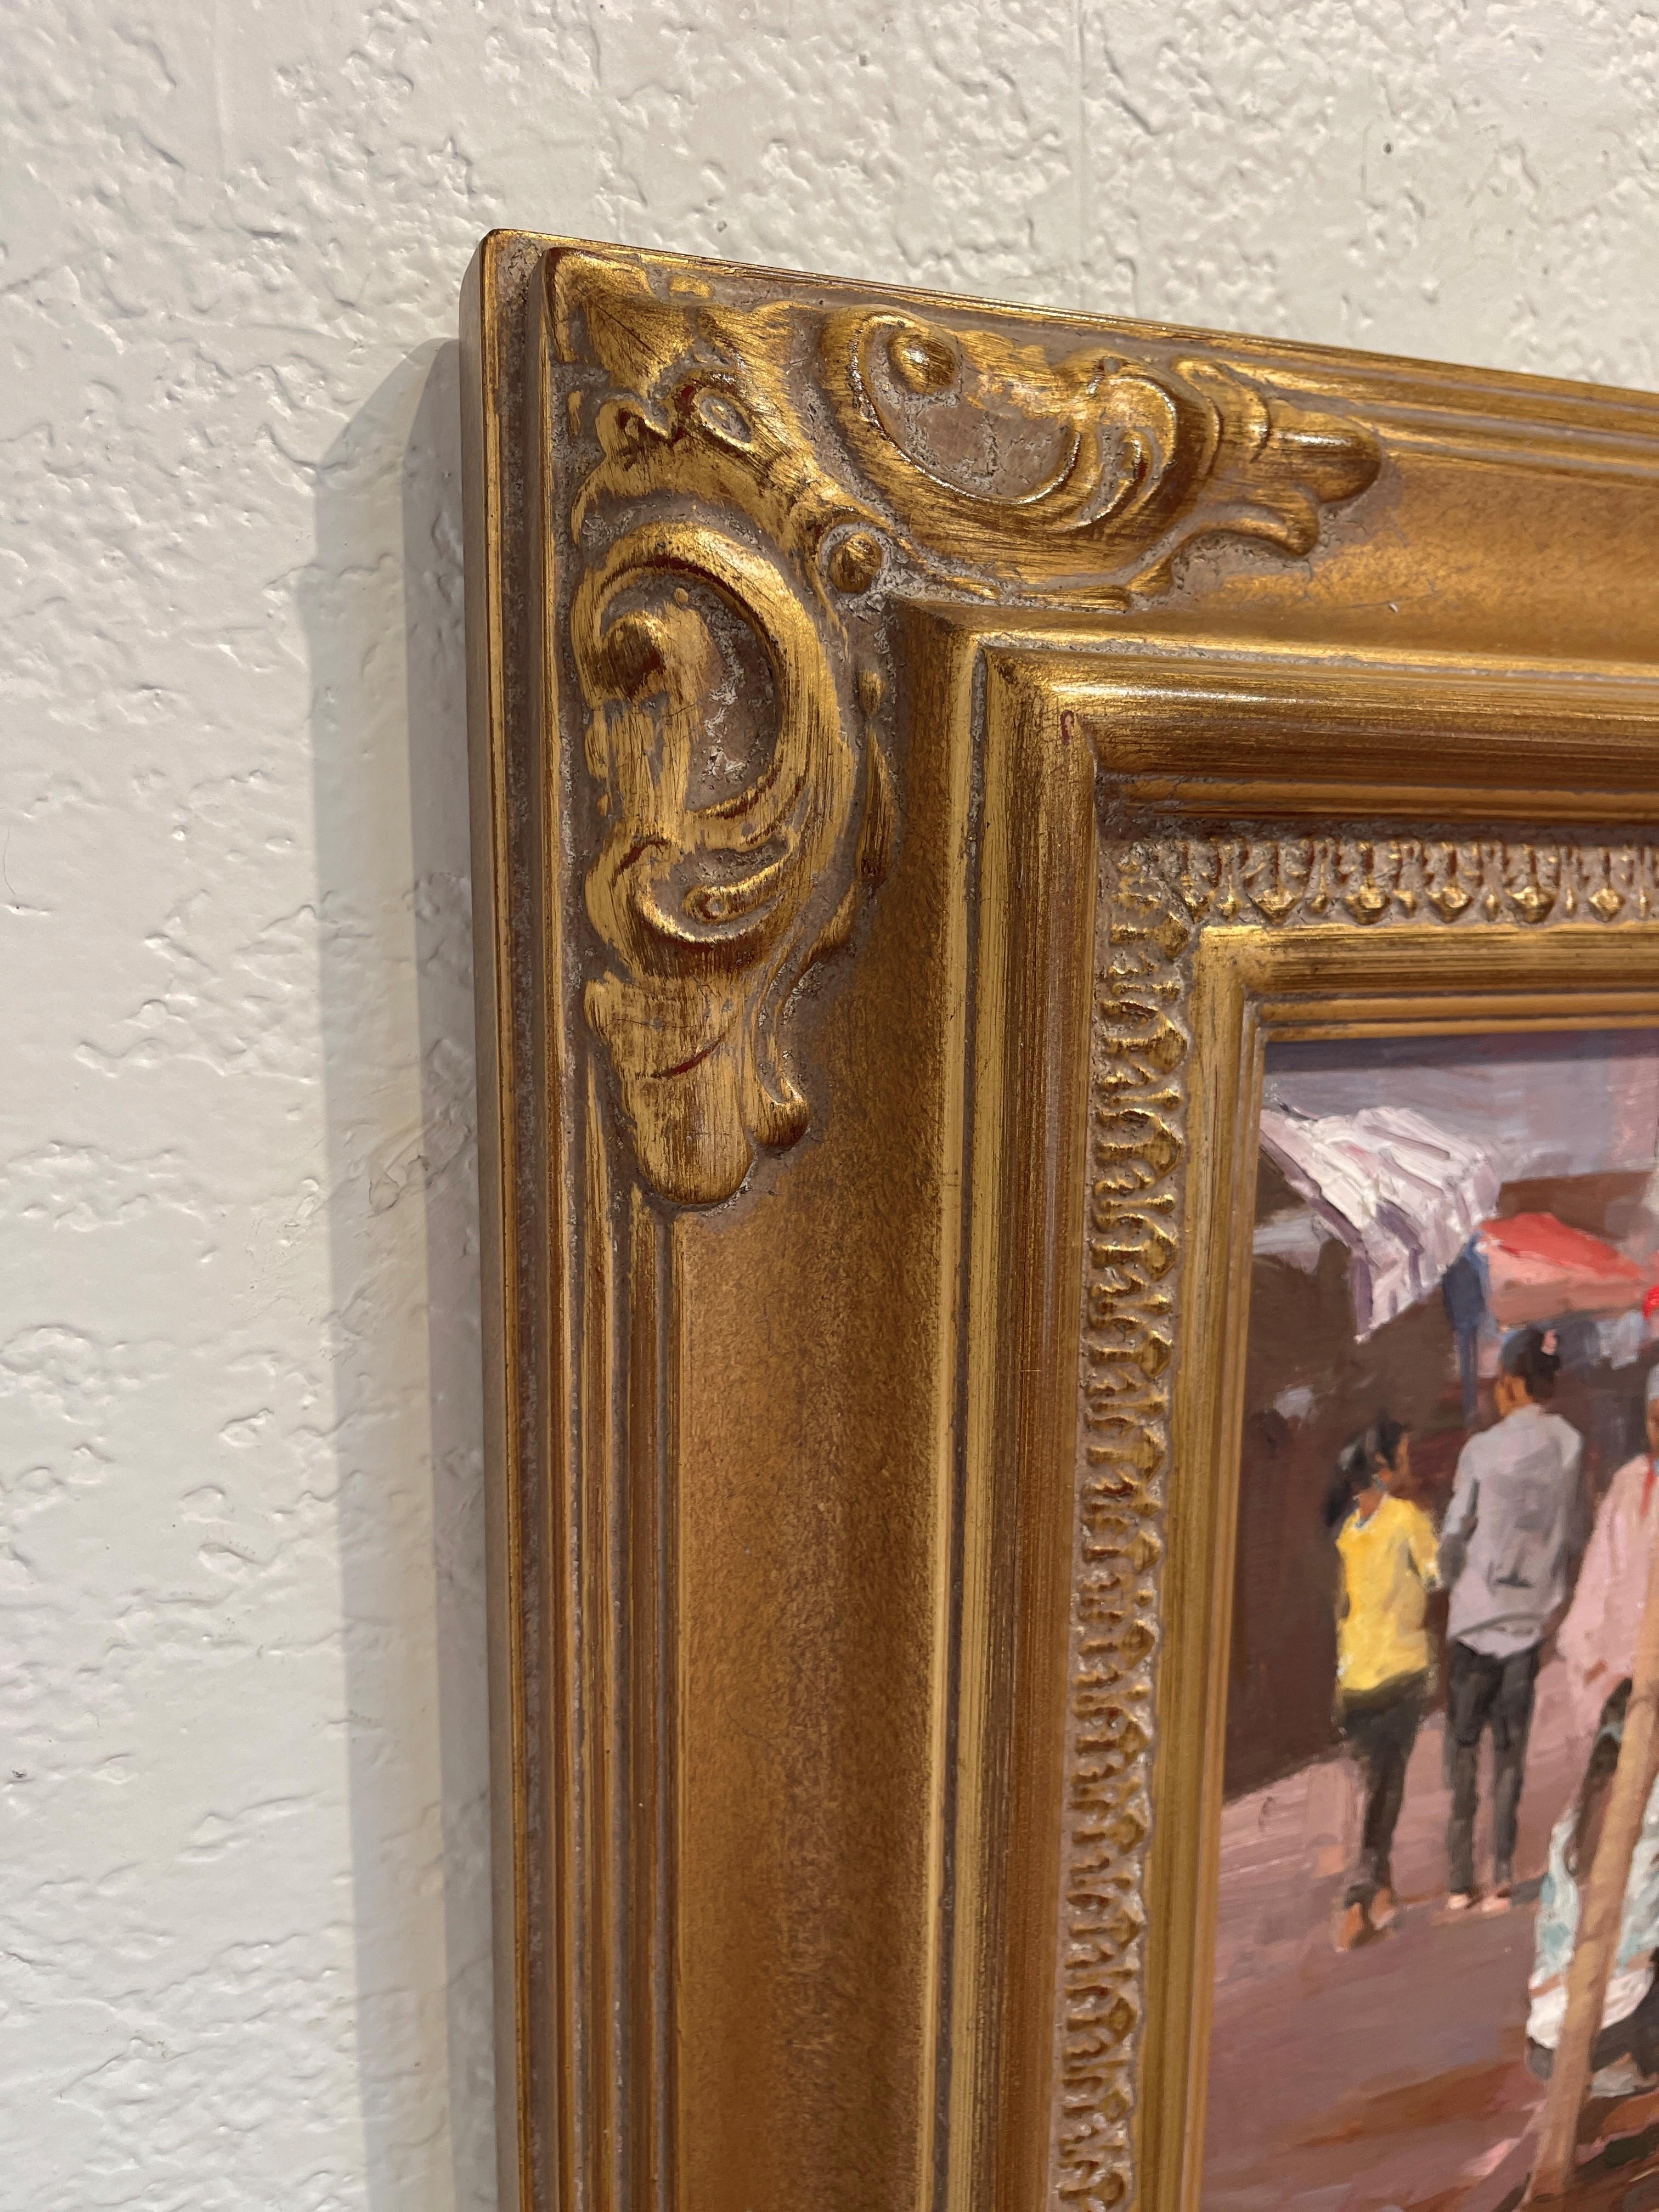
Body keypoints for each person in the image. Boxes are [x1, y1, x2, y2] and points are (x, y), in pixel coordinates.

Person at [1440, 1324, 1590, 1912]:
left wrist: (1455, 1582)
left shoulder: (1480, 1450)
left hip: (1475, 1619)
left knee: (1463, 1751)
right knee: (1509, 1754)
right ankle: (1501, 1872)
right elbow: (1575, 1533)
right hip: (1528, 1621)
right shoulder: (1570, 1445)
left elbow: (1454, 1533)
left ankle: (1460, 1880)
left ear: (1514, 1384)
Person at [1326, 1418, 1440, 1951]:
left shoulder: (1349, 1534)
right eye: (1403, 1457)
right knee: (1386, 1790)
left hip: (1356, 1680)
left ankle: (1383, 1893)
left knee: (1377, 1784)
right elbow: (1438, 1576)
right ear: (1384, 1470)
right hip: (1400, 1673)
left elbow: (1345, 1606)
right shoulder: (1408, 1519)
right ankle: (1359, 1898)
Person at [1527, 1679, 1659, 2094]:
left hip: (1548, 2044)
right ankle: (1630, 2065)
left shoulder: (1575, 1817)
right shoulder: (1652, 1811)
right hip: (1622, 2029)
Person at [1559, 1364, 1659, 1741]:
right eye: (1655, 1420)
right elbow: (1598, 1573)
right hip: (1618, 1669)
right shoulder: (1628, 1482)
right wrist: (1590, 1655)